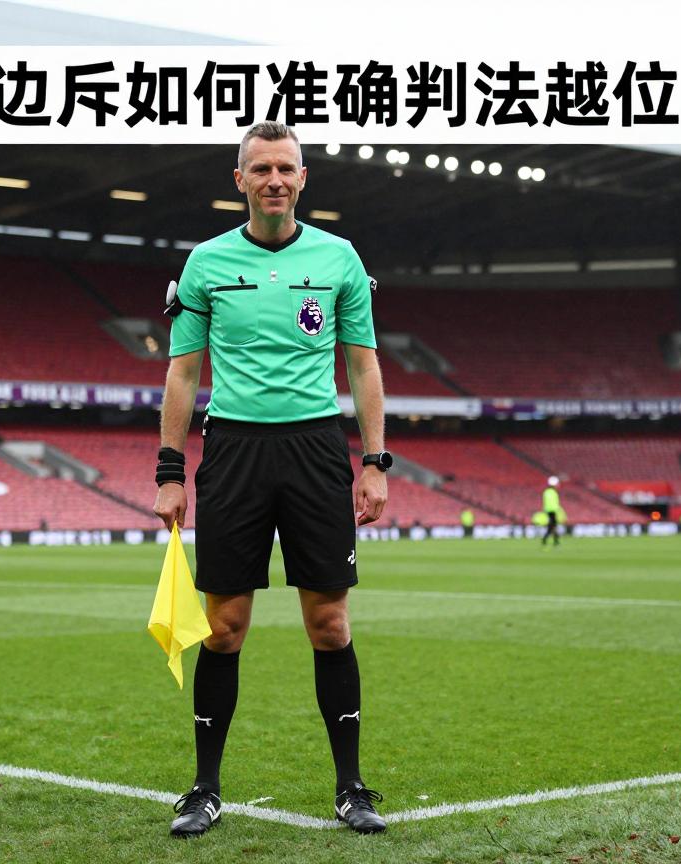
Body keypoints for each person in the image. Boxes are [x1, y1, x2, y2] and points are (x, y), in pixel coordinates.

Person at [153, 121, 390, 838]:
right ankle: (204, 788)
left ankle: (351, 787)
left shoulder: (340, 258)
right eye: (261, 169)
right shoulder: (206, 262)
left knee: (330, 623)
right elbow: (183, 373)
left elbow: (363, 365)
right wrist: (170, 471)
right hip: (234, 451)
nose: (275, 180)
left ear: (303, 178)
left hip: (316, 449)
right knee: (224, 628)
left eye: (286, 168)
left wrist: (374, 461)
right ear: (241, 180)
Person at [541, 476, 562, 547]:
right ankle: (555, 542)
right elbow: (554, 504)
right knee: (553, 527)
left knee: (551, 527)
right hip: (552, 511)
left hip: (549, 511)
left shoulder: (546, 492)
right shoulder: (553, 492)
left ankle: (550, 541)